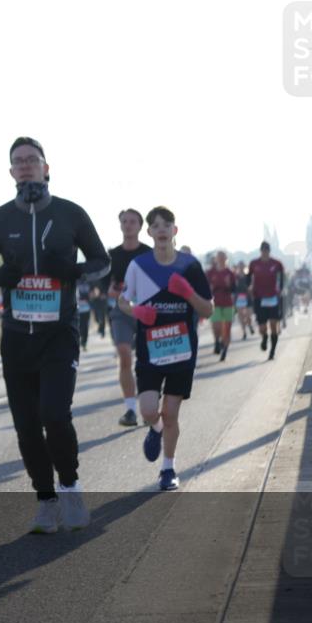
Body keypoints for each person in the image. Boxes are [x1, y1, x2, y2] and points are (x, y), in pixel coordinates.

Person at [0, 136, 110, 534]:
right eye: (19, 161)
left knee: (54, 414)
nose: (27, 165)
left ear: (47, 168)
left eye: (33, 159)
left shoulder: (71, 213)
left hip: (59, 332)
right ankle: (45, 500)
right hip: (17, 336)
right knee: (27, 424)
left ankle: (71, 487)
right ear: (11, 171)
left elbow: (102, 263)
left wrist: (75, 272)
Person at [119, 206, 212, 490]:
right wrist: (136, 312)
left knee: (171, 412)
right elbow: (123, 300)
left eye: (166, 224)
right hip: (150, 348)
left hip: (182, 348)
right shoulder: (139, 266)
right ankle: (155, 429)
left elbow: (207, 309)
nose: (161, 229)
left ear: (175, 230)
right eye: (155, 225)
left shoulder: (190, 265)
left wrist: (188, 293)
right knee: (149, 410)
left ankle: (168, 469)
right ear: (149, 232)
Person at [100, 208, 151, 427]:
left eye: (132, 221)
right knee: (124, 353)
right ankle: (130, 410)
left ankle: (149, 403)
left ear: (140, 226)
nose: (128, 225)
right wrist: (114, 291)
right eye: (124, 221)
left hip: (146, 312)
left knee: (146, 360)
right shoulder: (112, 255)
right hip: (121, 311)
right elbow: (105, 286)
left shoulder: (149, 253)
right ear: (120, 225)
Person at [248, 241, 285, 360]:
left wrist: (281, 289)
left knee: (273, 325)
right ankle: (264, 338)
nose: (265, 253)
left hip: (273, 297)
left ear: (269, 251)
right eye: (263, 250)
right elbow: (248, 277)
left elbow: (282, 277)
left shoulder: (277, 263)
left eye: (267, 250)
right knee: (262, 327)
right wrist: (249, 286)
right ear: (260, 251)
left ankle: (272, 351)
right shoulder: (254, 263)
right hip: (259, 298)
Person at [205, 251, 236, 362]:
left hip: (228, 303)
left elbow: (234, 289)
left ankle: (225, 351)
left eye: (223, 257)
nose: (221, 259)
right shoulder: (210, 272)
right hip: (215, 303)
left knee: (226, 329)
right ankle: (217, 342)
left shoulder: (230, 273)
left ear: (226, 259)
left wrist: (229, 285)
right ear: (216, 259)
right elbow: (205, 286)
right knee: (216, 326)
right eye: (219, 257)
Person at [233, 261, 254, 339]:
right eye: (239, 266)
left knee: (248, 315)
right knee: (241, 316)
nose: (241, 267)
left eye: (242, 266)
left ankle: (250, 325)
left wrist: (251, 288)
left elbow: (252, 284)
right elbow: (232, 287)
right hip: (239, 298)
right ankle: (244, 332)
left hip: (247, 297)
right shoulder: (235, 277)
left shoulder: (248, 276)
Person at [76, 277, 92, 350]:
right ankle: (78, 342)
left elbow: (92, 294)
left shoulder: (89, 283)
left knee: (85, 326)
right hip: (77, 310)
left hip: (86, 308)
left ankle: (84, 342)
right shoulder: (75, 283)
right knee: (79, 327)